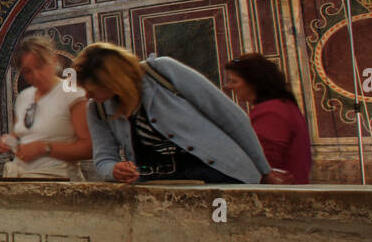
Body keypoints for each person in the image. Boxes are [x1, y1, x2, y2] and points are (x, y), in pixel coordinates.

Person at [72, 42, 272, 184]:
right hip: (159, 189)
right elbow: (104, 157)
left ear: (113, 80)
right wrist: (114, 171)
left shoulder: (163, 71)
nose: (87, 95)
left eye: (93, 88)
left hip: (220, 175)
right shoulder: (97, 109)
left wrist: (265, 171)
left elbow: (230, 117)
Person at [0, 36, 92, 179]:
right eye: (27, 71)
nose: (36, 75)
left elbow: (88, 147)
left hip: (58, 180)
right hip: (20, 178)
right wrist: (8, 142)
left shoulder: (72, 93)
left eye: (40, 66)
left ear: (53, 60)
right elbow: (19, 136)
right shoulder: (24, 96)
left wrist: (44, 148)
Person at [223, 54, 313, 184]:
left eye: (234, 81)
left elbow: (264, 163)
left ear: (254, 83)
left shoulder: (272, 112)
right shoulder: (281, 106)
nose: (229, 87)